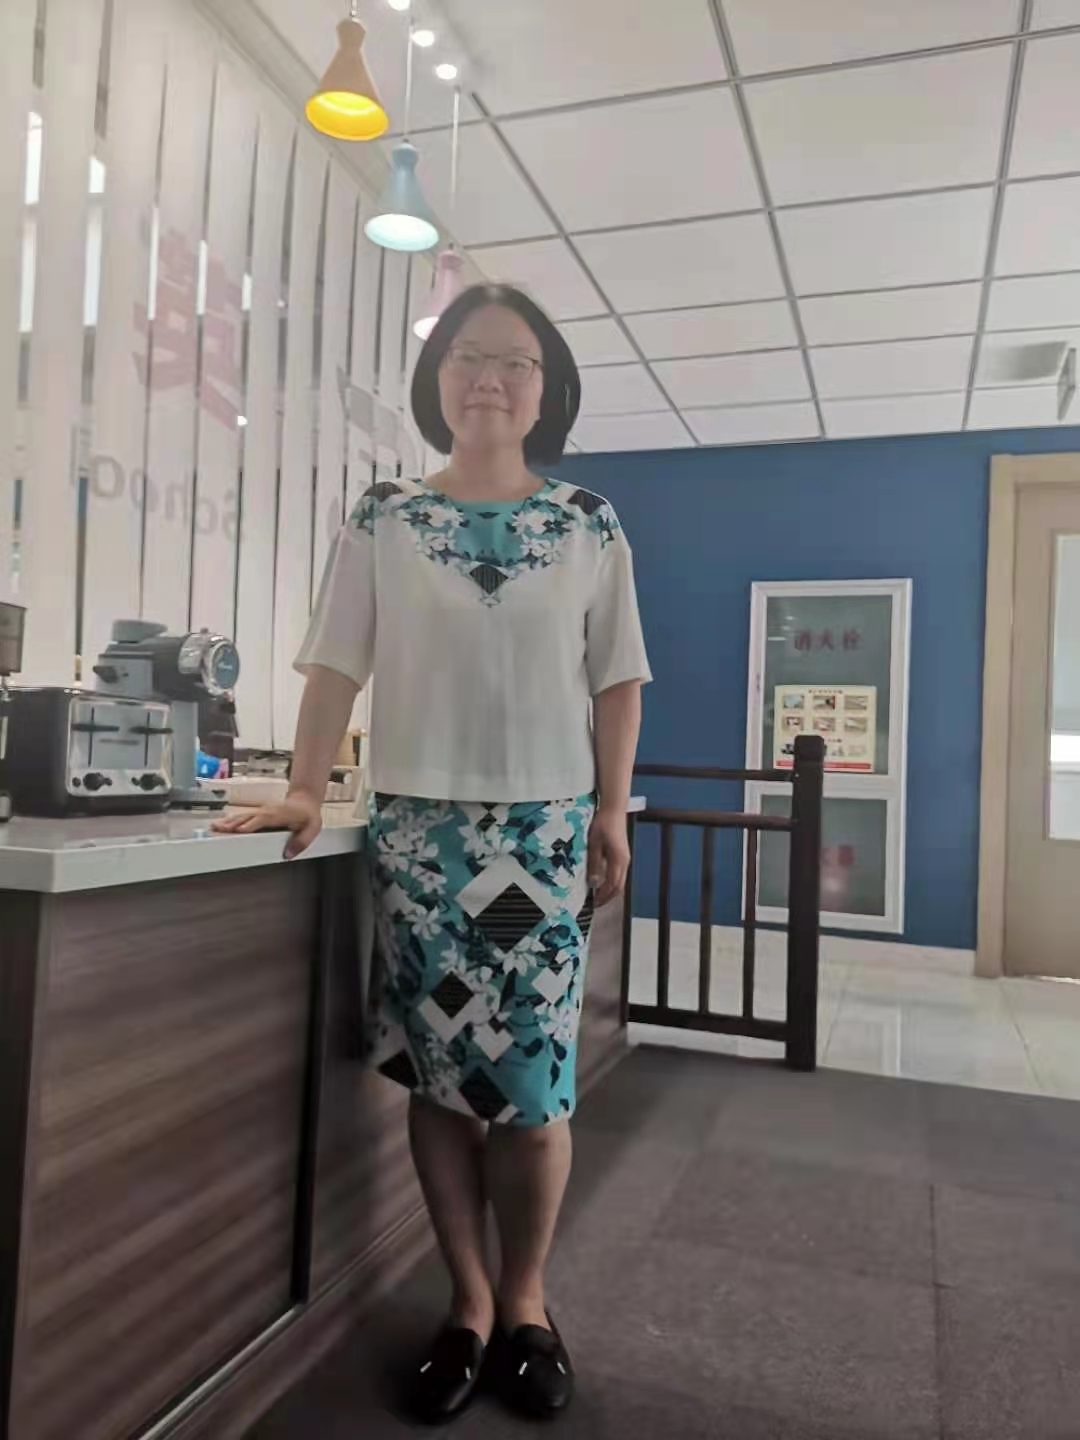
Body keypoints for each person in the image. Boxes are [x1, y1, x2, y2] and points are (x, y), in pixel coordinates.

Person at [213, 283, 651, 1422]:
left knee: (534, 1088)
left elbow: (618, 677)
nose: (487, 378)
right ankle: (466, 1305)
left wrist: (611, 811)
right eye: (466, 357)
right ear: (437, 379)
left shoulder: (588, 522)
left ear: (547, 390)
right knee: (442, 1076)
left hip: (542, 837)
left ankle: (528, 1302)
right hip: (421, 839)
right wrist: (305, 786)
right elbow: (334, 660)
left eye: (513, 361)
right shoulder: (386, 517)